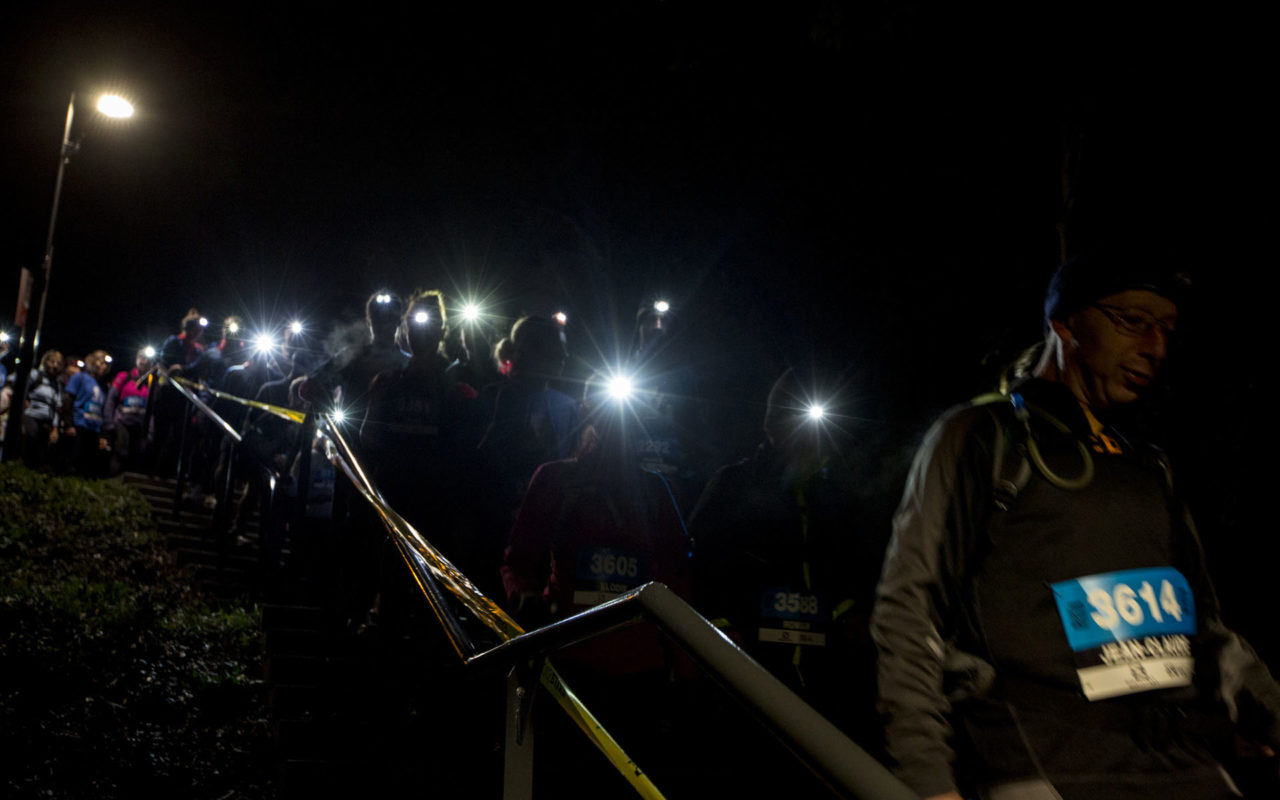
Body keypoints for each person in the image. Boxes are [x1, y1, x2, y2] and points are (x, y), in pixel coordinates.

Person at [872, 250, 1280, 800]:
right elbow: (909, 611)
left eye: (1165, 329)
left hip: (1180, 764)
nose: (1155, 347)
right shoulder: (983, 437)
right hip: (1042, 763)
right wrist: (926, 779)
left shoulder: (1148, 466)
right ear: (1063, 322)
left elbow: (1206, 630)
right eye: (1133, 321)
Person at [689, 365, 879, 742]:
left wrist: (852, 613)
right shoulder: (733, 483)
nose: (802, 433)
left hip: (824, 665)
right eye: (791, 418)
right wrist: (722, 627)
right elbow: (700, 559)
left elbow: (854, 561)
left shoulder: (833, 493)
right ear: (771, 424)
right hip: (751, 658)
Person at [62, 349, 111, 476]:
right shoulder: (80, 377)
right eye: (101, 362)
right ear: (92, 362)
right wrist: (69, 424)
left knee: (88, 468)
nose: (103, 366)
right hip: (79, 425)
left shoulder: (103, 386)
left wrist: (103, 435)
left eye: (106, 364)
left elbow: (104, 411)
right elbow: (68, 400)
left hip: (94, 429)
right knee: (73, 463)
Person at [18, 350, 65, 469]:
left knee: (42, 449)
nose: (55, 365)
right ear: (45, 362)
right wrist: (24, 401)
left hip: (47, 421)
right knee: (30, 439)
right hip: (31, 415)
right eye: (52, 361)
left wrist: (55, 428)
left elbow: (57, 408)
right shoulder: (35, 374)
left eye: (58, 363)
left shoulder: (57, 384)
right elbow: (16, 384)